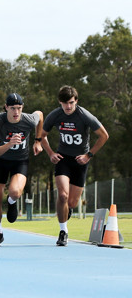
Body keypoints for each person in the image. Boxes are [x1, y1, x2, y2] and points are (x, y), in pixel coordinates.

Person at [39, 86, 109, 246]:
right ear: (60, 103)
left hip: (80, 161)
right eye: (65, 103)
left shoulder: (84, 115)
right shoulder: (55, 115)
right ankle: (63, 231)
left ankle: (67, 210)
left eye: (71, 103)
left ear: (76, 101)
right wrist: (50, 153)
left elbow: (104, 136)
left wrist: (88, 155)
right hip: (63, 159)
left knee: (71, 203)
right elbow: (42, 136)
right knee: (62, 196)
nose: (68, 107)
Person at [0, 93, 43, 247]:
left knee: (14, 192)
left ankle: (12, 202)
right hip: (1, 160)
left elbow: (40, 114)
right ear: (6, 107)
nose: (16, 112)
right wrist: (9, 144)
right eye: (12, 108)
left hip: (20, 161)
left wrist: (38, 141)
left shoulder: (28, 120)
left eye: (19, 108)